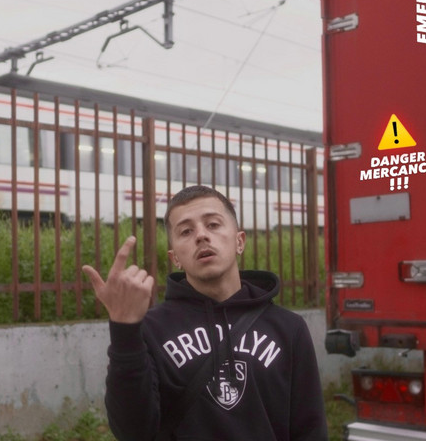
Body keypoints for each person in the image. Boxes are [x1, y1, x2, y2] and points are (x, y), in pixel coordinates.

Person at [82, 185, 328, 441]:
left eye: (213, 224)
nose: (201, 235)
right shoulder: (152, 329)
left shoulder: (288, 328)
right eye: (186, 231)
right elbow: (133, 432)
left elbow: (310, 428)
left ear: (239, 241)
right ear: (175, 258)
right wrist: (124, 328)